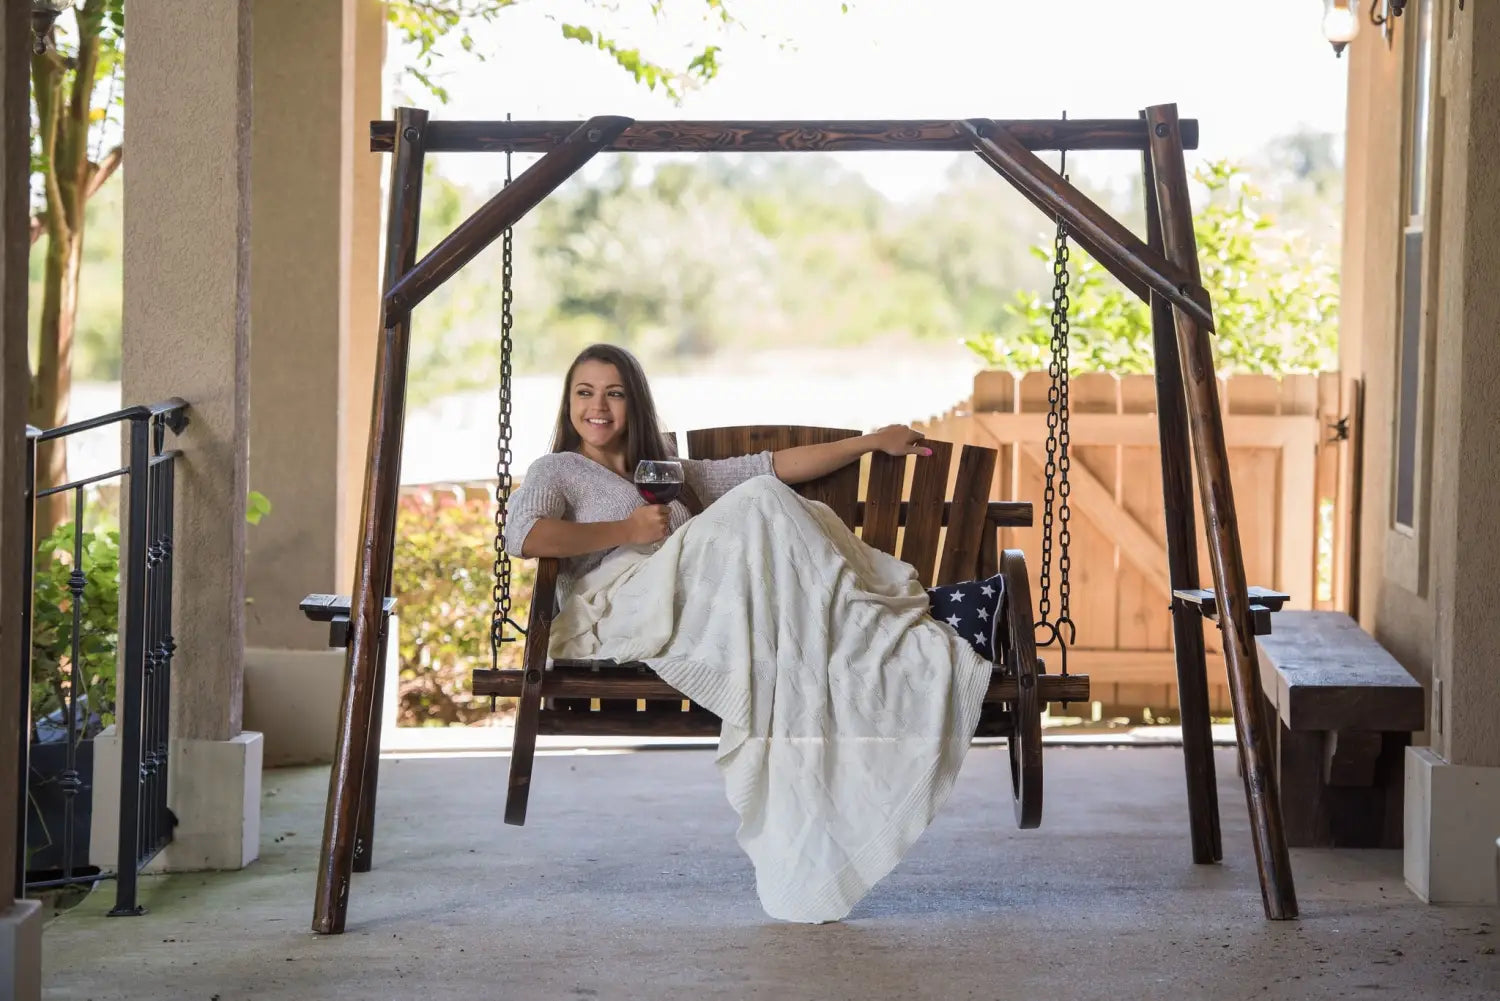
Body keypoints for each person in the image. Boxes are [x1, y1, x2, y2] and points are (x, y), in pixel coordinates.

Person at [503, 342, 1008, 654]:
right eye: (584, 392)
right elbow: (522, 535)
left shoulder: (666, 471)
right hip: (621, 614)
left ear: (633, 402)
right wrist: (626, 531)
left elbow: (771, 467)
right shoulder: (557, 470)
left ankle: (889, 620)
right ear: (568, 401)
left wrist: (871, 441)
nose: (597, 406)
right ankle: (908, 619)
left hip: (694, 607)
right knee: (760, 506)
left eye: (613, 393)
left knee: (767, 495)